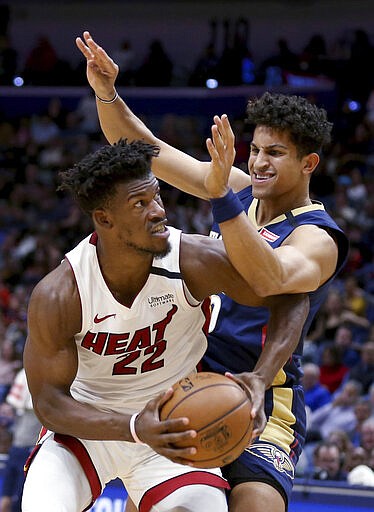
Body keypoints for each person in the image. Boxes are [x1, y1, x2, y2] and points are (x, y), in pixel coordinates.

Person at [75, 32, 349, 512]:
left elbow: (269, 278)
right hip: (187, 376)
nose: (259, 162)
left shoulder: (317, 237)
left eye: (275, 154)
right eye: (256, 149)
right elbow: (143, 147)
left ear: (308, 163)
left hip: (261, 391)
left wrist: (221, 195)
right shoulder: (238, 190)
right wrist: (107, 93)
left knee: (256, 506)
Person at [21, 138, 309, 512]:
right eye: (140, 204)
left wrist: (261, 375)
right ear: (104, 219)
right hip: (89, 427)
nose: (159, 212)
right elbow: (48, 403)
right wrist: (134, 426)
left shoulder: (193, 260)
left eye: (157, 197)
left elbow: (290, 296)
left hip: (178, 424)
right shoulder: (61, 294)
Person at [0, 369, 40, 512]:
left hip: (30, 452)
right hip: (17, 448)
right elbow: (13, 404)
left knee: (19, 502)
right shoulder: (26, 373)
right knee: (5, 500)